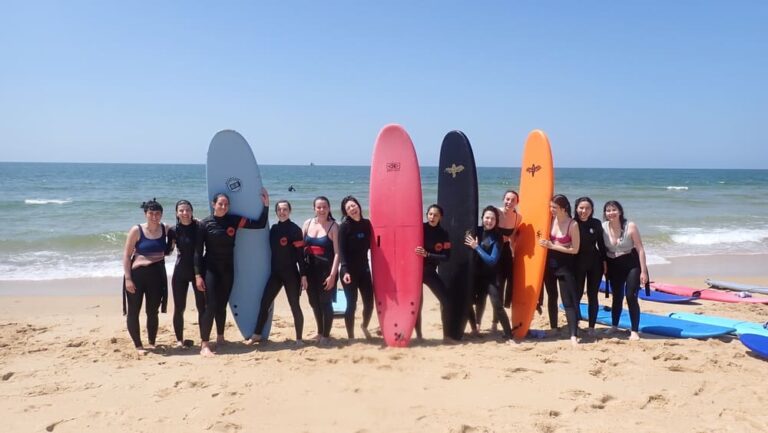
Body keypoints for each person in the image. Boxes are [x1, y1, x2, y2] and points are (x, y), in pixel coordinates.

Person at [194, 189, 269, 357]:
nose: (223, 206)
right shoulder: (204, 224)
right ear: (213, 204)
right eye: (220, 204)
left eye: (226, 204)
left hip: (228, 269)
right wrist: (198, 276)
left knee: (222, 305)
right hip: (211, 269)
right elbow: (197, 252)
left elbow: (259, 223)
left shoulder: (234, 220)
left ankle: (220, 338)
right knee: (211, 306)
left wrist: (265, 206)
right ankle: (204, 344)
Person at [247, 200, 307, 345]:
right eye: (279, 209)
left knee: (294, 305)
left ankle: (299, 339)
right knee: (265, 302)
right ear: (276, 212)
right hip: (276, 274)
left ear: (290, 211)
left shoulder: (295, 230)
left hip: (291, 274)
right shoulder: (273, 229)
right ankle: (257, 334)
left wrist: (303, 275)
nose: (282, 212)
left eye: (285, 209)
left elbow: (301, 256)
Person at [121, 198, 169, 355]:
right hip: (137, 275)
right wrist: (128, 278)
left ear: (161, 214)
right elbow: (126, 255)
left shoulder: (165, 228)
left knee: (152, 311)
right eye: (151, 213)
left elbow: (184, 225)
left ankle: (152, 342)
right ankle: (138, 345)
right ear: (145, 214)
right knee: (134, 311)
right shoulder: (136, 230)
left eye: (157, 213)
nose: (154, 216)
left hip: (157, 275)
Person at [464, 206, 514, 341]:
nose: (489, 221)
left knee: (497, 304)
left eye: (492, 218)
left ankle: (509, 334)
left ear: (496, 221)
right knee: (476, 301)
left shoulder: (497, 237)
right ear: (482, 218)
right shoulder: (476, 231)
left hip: (492, 276)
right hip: (477, 275)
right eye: (487, 217)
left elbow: (492, 260)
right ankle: (476, 328)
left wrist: (476, 247)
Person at [602, 200, 648, 341]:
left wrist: (644, 271)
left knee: (630, 296)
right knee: (617, 296)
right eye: (608, 210)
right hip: (614, 265)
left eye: (614, 210)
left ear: (620, 211)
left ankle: (634, 331)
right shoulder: (603, 227)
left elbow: (640, 249)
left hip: (631, 264)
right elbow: (601, 249)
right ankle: (614, 326)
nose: (611, 213)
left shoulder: (630, 226)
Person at [538, 194, 581, 346]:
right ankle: (554, 328)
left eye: (554, 207)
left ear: (563, 208)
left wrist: (553, 246)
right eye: (550, 207)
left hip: (565, 267)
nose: (551, 210)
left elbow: (575, 249)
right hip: (549, 266)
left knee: (567, 301)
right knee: (552, 297)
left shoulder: (572, 224)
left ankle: (573, 334)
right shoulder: (550, 220)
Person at [166, 199, 205, 349]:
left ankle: (204, 339)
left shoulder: (199, 227)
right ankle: (179, 340)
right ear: (177, 213)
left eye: (187, 210)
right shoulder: (173, 230)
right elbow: (168, 251)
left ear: (192, 211)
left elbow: (198, 252)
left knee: (202, 307)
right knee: (179, 308)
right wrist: (162, 232)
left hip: (197, 271)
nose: (185, 213)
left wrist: (198, 275)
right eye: (181, 210)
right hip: (180, 271)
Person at [302, 196, 340, 345]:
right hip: (310, 271)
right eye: (318, 207)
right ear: (314, 209)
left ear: (329, 208)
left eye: (324, 207)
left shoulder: (334, 227)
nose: (322, 210)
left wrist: (333, 275)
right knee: (314, 302)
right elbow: (300, 249)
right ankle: (319, 332)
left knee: (325, 303)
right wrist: (302, 274)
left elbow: (337, 253)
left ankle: (326, 335)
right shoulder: (307, 224)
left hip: (326, 272)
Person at [414, 204, 452, 341]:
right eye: (430, 214)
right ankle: (419, 336)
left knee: (446, 300)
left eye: (435, 215)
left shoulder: (444, 234)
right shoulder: (420, 228)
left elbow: (446, 257)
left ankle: (446, 335)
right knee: (417, 304)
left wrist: (428, 254)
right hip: (416, 272)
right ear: (427, 215)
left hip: (430, 272)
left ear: (441, 217)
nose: (432, 217)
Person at [338, 196, 374, 340]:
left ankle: (364, 325)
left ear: (358, 206)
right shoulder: (344, 227)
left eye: (353, 206)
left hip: (364, 269)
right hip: (348, 272)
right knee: (351, 305)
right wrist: (345, 270)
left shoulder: (367, 224)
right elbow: (341, 251)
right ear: (346, 212)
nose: (352, 209)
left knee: (369, 303)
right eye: (348, 208)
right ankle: (351, 337)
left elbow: (375, 244)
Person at [573, 197, 606, 336]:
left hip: (595, 263)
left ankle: (591, 327)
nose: (584, 211)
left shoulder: (596, 223)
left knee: (593, 295)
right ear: (576, 208)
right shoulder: (572, 223)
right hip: (577, 263)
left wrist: (605, 263)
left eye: (587, 208)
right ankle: (575, 324)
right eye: (581, 208)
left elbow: (602, 245)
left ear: (592, 210)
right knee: (577, 294)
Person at [492, 190, 522, 332]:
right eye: (507, 199)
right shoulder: (495, 212)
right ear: (503, 199)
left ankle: (501, 316)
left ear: (517, 202)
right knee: (498, 286)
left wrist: (514, 254)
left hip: (505, 252)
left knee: (510, 283)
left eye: (512, 200)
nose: (509, 202)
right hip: (493, 250)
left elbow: (512, 238)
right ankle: (494, 321)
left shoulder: (517, 218)